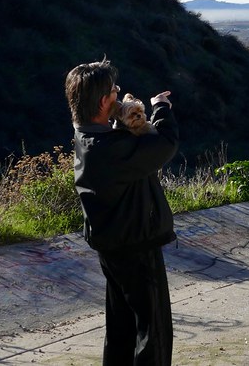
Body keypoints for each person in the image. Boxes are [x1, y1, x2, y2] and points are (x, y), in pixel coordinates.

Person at [64, 59, 178, 366]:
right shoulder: (110, 148)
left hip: (112, 246)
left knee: (121, 328)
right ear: (104, 101)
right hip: (136, 246)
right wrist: (161, 108)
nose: (118, 92)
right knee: (152, 330)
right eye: (114, 90)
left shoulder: (88, 136)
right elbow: (165, 144)